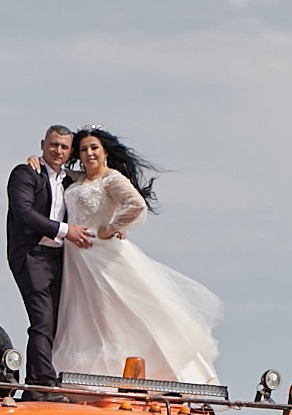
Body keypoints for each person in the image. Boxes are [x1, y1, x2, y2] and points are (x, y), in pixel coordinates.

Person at [48, 127, 222, 384]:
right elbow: (55, 172)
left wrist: (113, 226)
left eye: (94, 148)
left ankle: (141, 372)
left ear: (105, 151)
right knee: (85, 318)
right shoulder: (78, 179)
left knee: (115, 313)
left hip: (100, 253)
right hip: (77, 258)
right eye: (83, 149)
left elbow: (136, 203)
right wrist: (35, 160)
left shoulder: (111, 178)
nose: (89, 153)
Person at [5, 125, 94, 385]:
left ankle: (36, 384)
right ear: (43, 143)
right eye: (54, 145)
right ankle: (43, 382)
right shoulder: (26, 173)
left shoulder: (69, 179)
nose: (58, 151)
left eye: (64, 147)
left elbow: (100, 179)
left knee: (56, 322)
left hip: (61, 259)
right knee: (42, 319)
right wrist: (66, 230)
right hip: (32, 255)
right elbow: (24, 213)